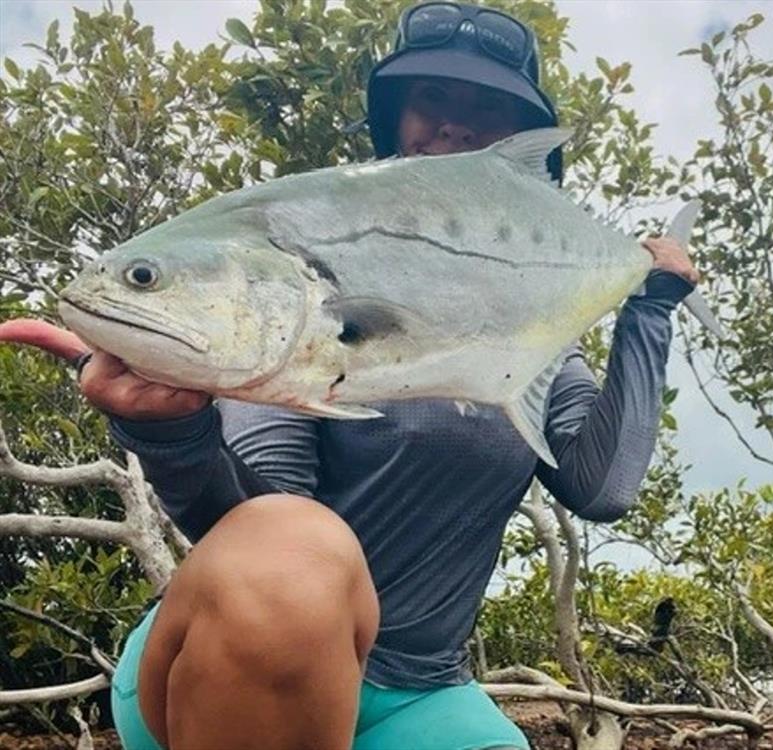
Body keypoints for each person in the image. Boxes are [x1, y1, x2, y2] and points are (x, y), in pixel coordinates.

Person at [20, 3, 698, 749]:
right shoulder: (301, 264)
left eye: (486, 107)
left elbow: (604, 489)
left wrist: (650, 310)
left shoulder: (540, 352)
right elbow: (258, 554)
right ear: (394, 119)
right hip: (234, 669)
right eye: (432, 98)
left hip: (421, 696)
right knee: (290, 548)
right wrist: (171, 428)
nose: (454, 125)